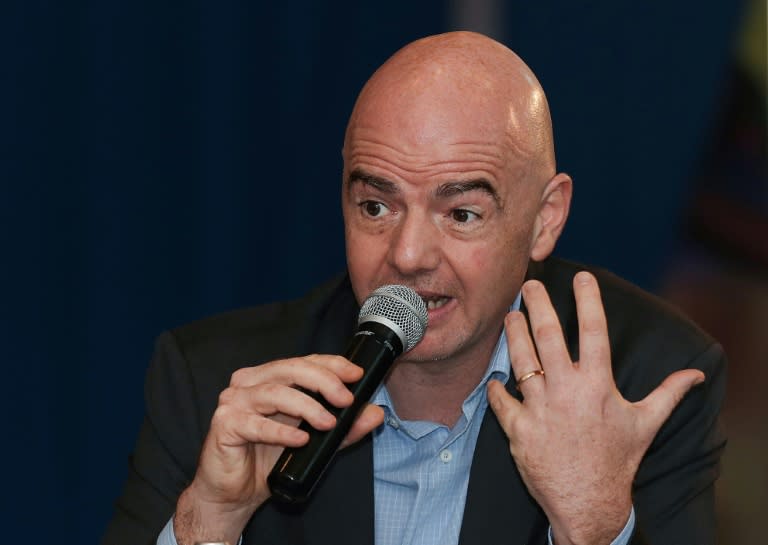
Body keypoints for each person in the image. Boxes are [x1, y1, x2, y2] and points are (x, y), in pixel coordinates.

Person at [102, 31, 726, 545]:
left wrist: (592, 527)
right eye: (376, 206)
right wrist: (210, 520)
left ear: (544, 219)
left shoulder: (643, 382)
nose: (406, 255)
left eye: (461, 214)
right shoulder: (213, 381)